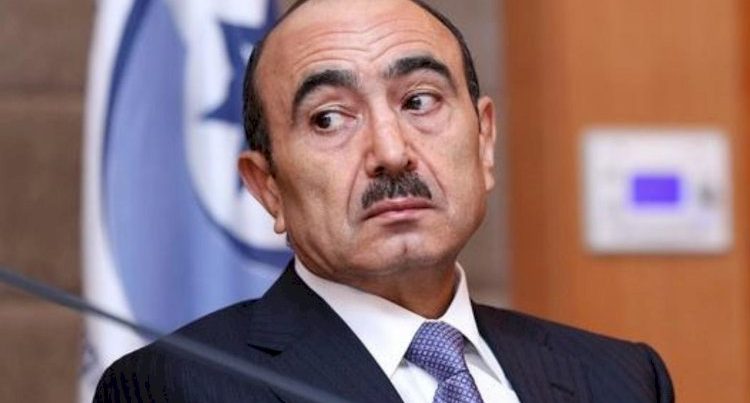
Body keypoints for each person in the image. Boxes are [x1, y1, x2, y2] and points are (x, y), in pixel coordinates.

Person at [94, 0, 675, 402]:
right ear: (267, 187)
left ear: (484, 141)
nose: (392, 153)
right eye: (329, 118)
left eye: (419, 101)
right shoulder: (178, 387)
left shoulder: (622, 379)